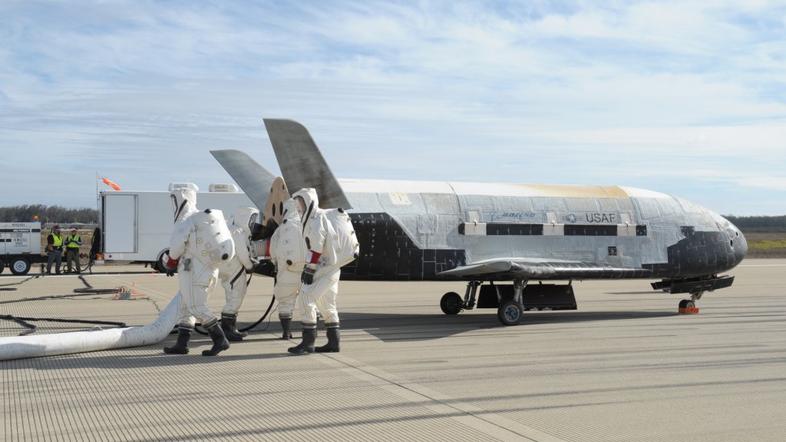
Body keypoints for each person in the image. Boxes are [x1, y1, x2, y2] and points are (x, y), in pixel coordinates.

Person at [162, 183, 235, 357]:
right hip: (208, 270)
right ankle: (182, 343)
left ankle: (220, 339)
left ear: (181, 199)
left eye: (174, 199)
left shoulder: (186, 220)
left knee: (196, 306)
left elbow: (176, 246)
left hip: (194, 271)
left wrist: (171, 262)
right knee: (186, 307)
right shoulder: (201, 219)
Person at [288, 188, 343, 355]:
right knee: (327, 304)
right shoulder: (321, 217)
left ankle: (308, 342)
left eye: (301, 206)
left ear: (309, 203)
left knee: (306, 297)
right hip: (332, 267)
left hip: (323, 268)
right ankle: (334, 342)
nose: (299, 210)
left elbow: (316, 246)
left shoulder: (315, 220)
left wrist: (309, 269)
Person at [218, 206, 259, 341]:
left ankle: (228, 328)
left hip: (225, 268)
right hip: (234, 268)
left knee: (231, 296)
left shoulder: (227, 228)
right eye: (251, 219)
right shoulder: (238, 231)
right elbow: (242, 252)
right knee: (236, 296)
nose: (253, 223)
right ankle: (229, 330)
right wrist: (250, 265)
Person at [269, 198, 306, 340]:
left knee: (285, 302)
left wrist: (277, 264)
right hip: (307, 271)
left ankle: (286, 332)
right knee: (309, 302)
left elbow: (273, 250)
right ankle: (309, 335)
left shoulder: (281, 229)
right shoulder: (308, 225)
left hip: (287, 271)